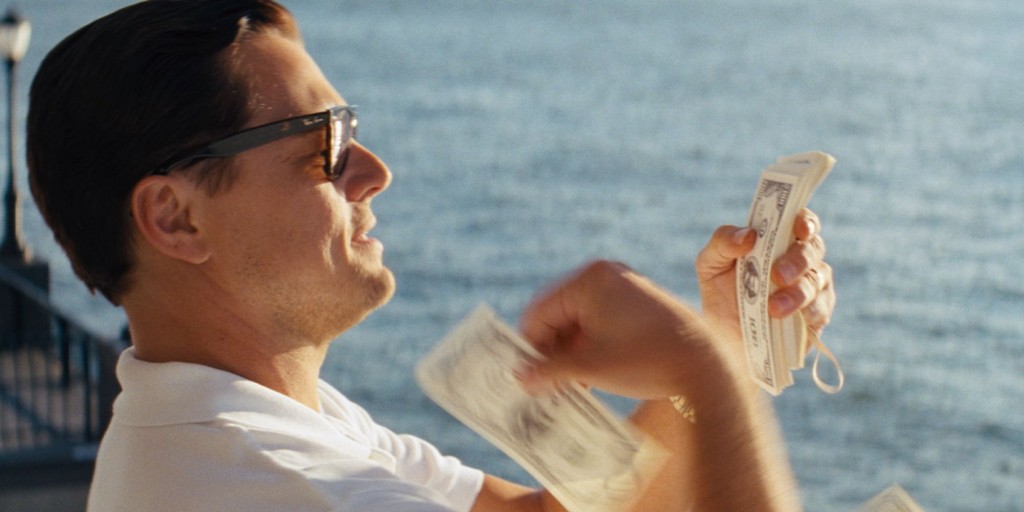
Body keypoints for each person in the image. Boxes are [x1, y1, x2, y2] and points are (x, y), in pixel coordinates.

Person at [26, 1, 835, 511]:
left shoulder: (257, 423)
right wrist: (710, 380)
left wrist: (724, 335)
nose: (376, 171)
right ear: (175, 216)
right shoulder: (277, 486)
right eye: (326, 145)